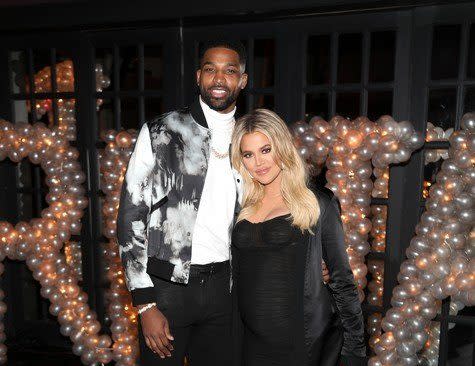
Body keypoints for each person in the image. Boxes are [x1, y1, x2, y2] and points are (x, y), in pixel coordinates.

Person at [116, 40, 332, 365]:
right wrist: (145, 303)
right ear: (198, 77)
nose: (219, 79)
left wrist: (312, 261)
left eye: (229, 71)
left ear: (242, 80)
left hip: (228, 290)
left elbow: (276, 206)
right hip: (168, 288)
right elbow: (130, 217)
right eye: (210, 69)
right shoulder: (161, 132)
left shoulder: (250, 141)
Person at [230, 109, 366, 366]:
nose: (259, 162)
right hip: (249, 344)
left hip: (300, 346)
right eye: (248, 154)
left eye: (266, 150)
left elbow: (342, 280)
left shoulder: (317, 203)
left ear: (282, 146)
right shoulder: (242, 206)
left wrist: (355, 351)